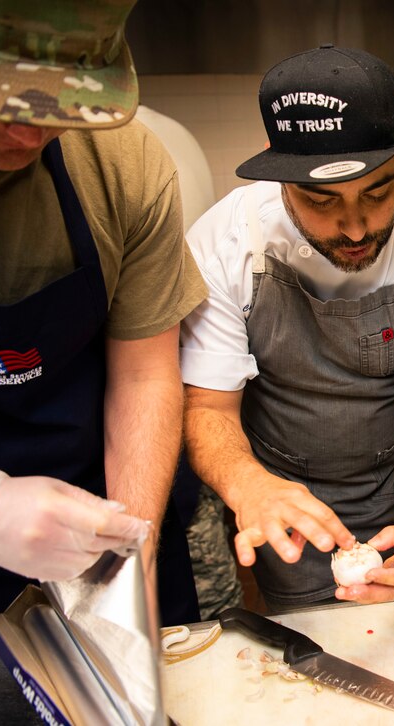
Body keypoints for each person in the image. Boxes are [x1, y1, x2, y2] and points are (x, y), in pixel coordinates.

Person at [0, 0, 207, 718]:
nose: (33, 127)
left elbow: (144, 374)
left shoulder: (122, 162)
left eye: (66, 100)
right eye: (2, 97)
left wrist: (129, 558)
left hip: (100, 532)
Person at [181, 45, 394, 611]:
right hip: (278, 502)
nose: (356, 226)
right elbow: (206, 408)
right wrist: (248, 485)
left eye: (379, 192)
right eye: (322, 201)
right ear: (279, 173)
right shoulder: (227, 242)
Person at [134, 104, 244, 619]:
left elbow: (148, 373)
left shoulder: (146, 150)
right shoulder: (162, 139)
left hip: (171, 471)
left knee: (209, 629)